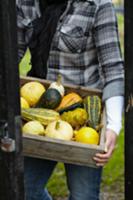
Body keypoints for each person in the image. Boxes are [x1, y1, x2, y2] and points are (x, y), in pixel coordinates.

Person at [16, 0, 124, 199]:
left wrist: (114, 126)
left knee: (83, 196)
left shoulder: (98, 5)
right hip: (38, 110)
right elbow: (12, 54)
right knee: (23, 191)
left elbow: (113, 70)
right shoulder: (25, 3)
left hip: (85, 116)